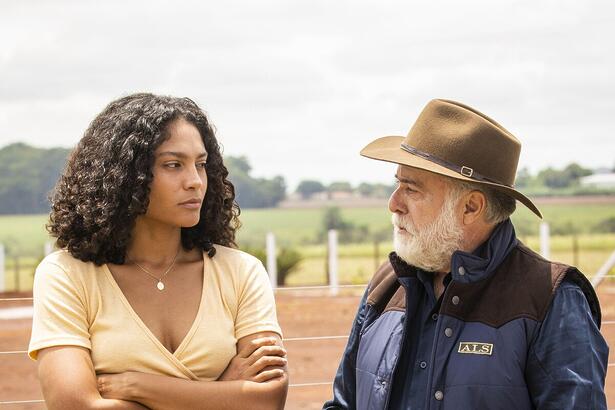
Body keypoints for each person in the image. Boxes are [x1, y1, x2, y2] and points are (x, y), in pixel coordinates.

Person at [324, 99, 608, 410]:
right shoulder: (387, 284)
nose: (394, 203)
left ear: (471, 207)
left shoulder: (550, 299)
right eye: (397, 185)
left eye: (412, 189)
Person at [28, 93, 288, 410]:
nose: (195, 181)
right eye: (173, 165)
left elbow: (267, 402)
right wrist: (225, 392)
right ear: (124, 176)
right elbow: (74, 405)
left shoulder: (240, 272)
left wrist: (139, 386)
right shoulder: (65, 275)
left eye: (201, 165)